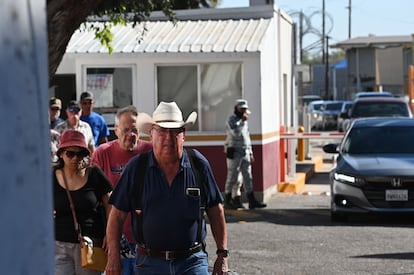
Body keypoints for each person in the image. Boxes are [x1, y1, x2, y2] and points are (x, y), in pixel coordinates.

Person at [105, 101, 229, 275]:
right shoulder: (137, 168)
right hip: (149, 263)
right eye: (162, 131)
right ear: (151, 134)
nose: (168, 139)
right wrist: (113, 257)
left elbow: (216, 211)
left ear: (183, 135)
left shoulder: (198, 164)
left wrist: (222, 255)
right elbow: (117, 217)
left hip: (192, 262)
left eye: (175, 132)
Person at [92, 105, 152, 275]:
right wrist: (106, 233)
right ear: (116, 130)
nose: (130, 134)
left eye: (134, 130)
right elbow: (96, 198)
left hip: (146, 237)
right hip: (117, 236)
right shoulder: (102, 153)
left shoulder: (150, 151)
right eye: (125, 130)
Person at [52, 130, 113, 275]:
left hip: (91, 245)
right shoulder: (51, 177)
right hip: (59, 244)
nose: (75, 158)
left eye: (80, 154)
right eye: (70, 154)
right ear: (61, 153)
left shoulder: (94, 175)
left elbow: (110, 205)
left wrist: (110, 234)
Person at [223, 99, 266, 210]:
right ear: (237, 109)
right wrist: (242, 121)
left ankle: (251, 200)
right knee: (233, 177)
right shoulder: (232, 120)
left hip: (245, 151)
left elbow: (247, 137)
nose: (243, 112)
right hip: (234, 150)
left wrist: (250, 152)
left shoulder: (244, 122)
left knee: (247, 176)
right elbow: (236, 133)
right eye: (241, 109)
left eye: (245, 110)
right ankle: (228, 200)